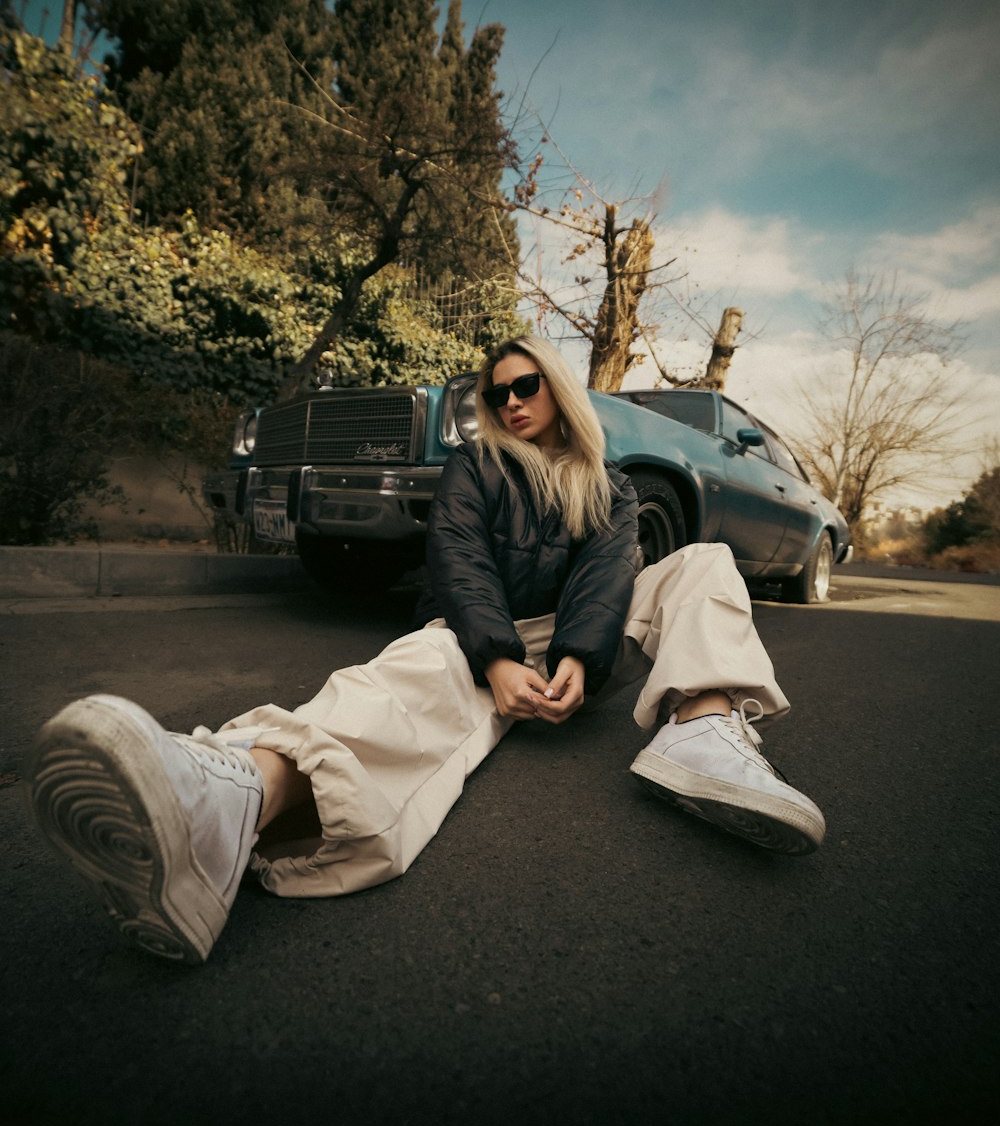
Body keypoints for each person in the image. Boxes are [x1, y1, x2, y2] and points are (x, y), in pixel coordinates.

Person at [28, 336, 826, 965]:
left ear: (557, 389)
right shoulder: (476, 466)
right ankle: (232, 804)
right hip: (487, 635)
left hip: (586, 636)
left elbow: (610, 570)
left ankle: (704, 730)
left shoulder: (609, 484)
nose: (511, 401)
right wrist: (497, 656)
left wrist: (582, 658)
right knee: (401, 678)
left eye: (527, 385)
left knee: (701, 563)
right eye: (498, 391)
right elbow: (461, 563)